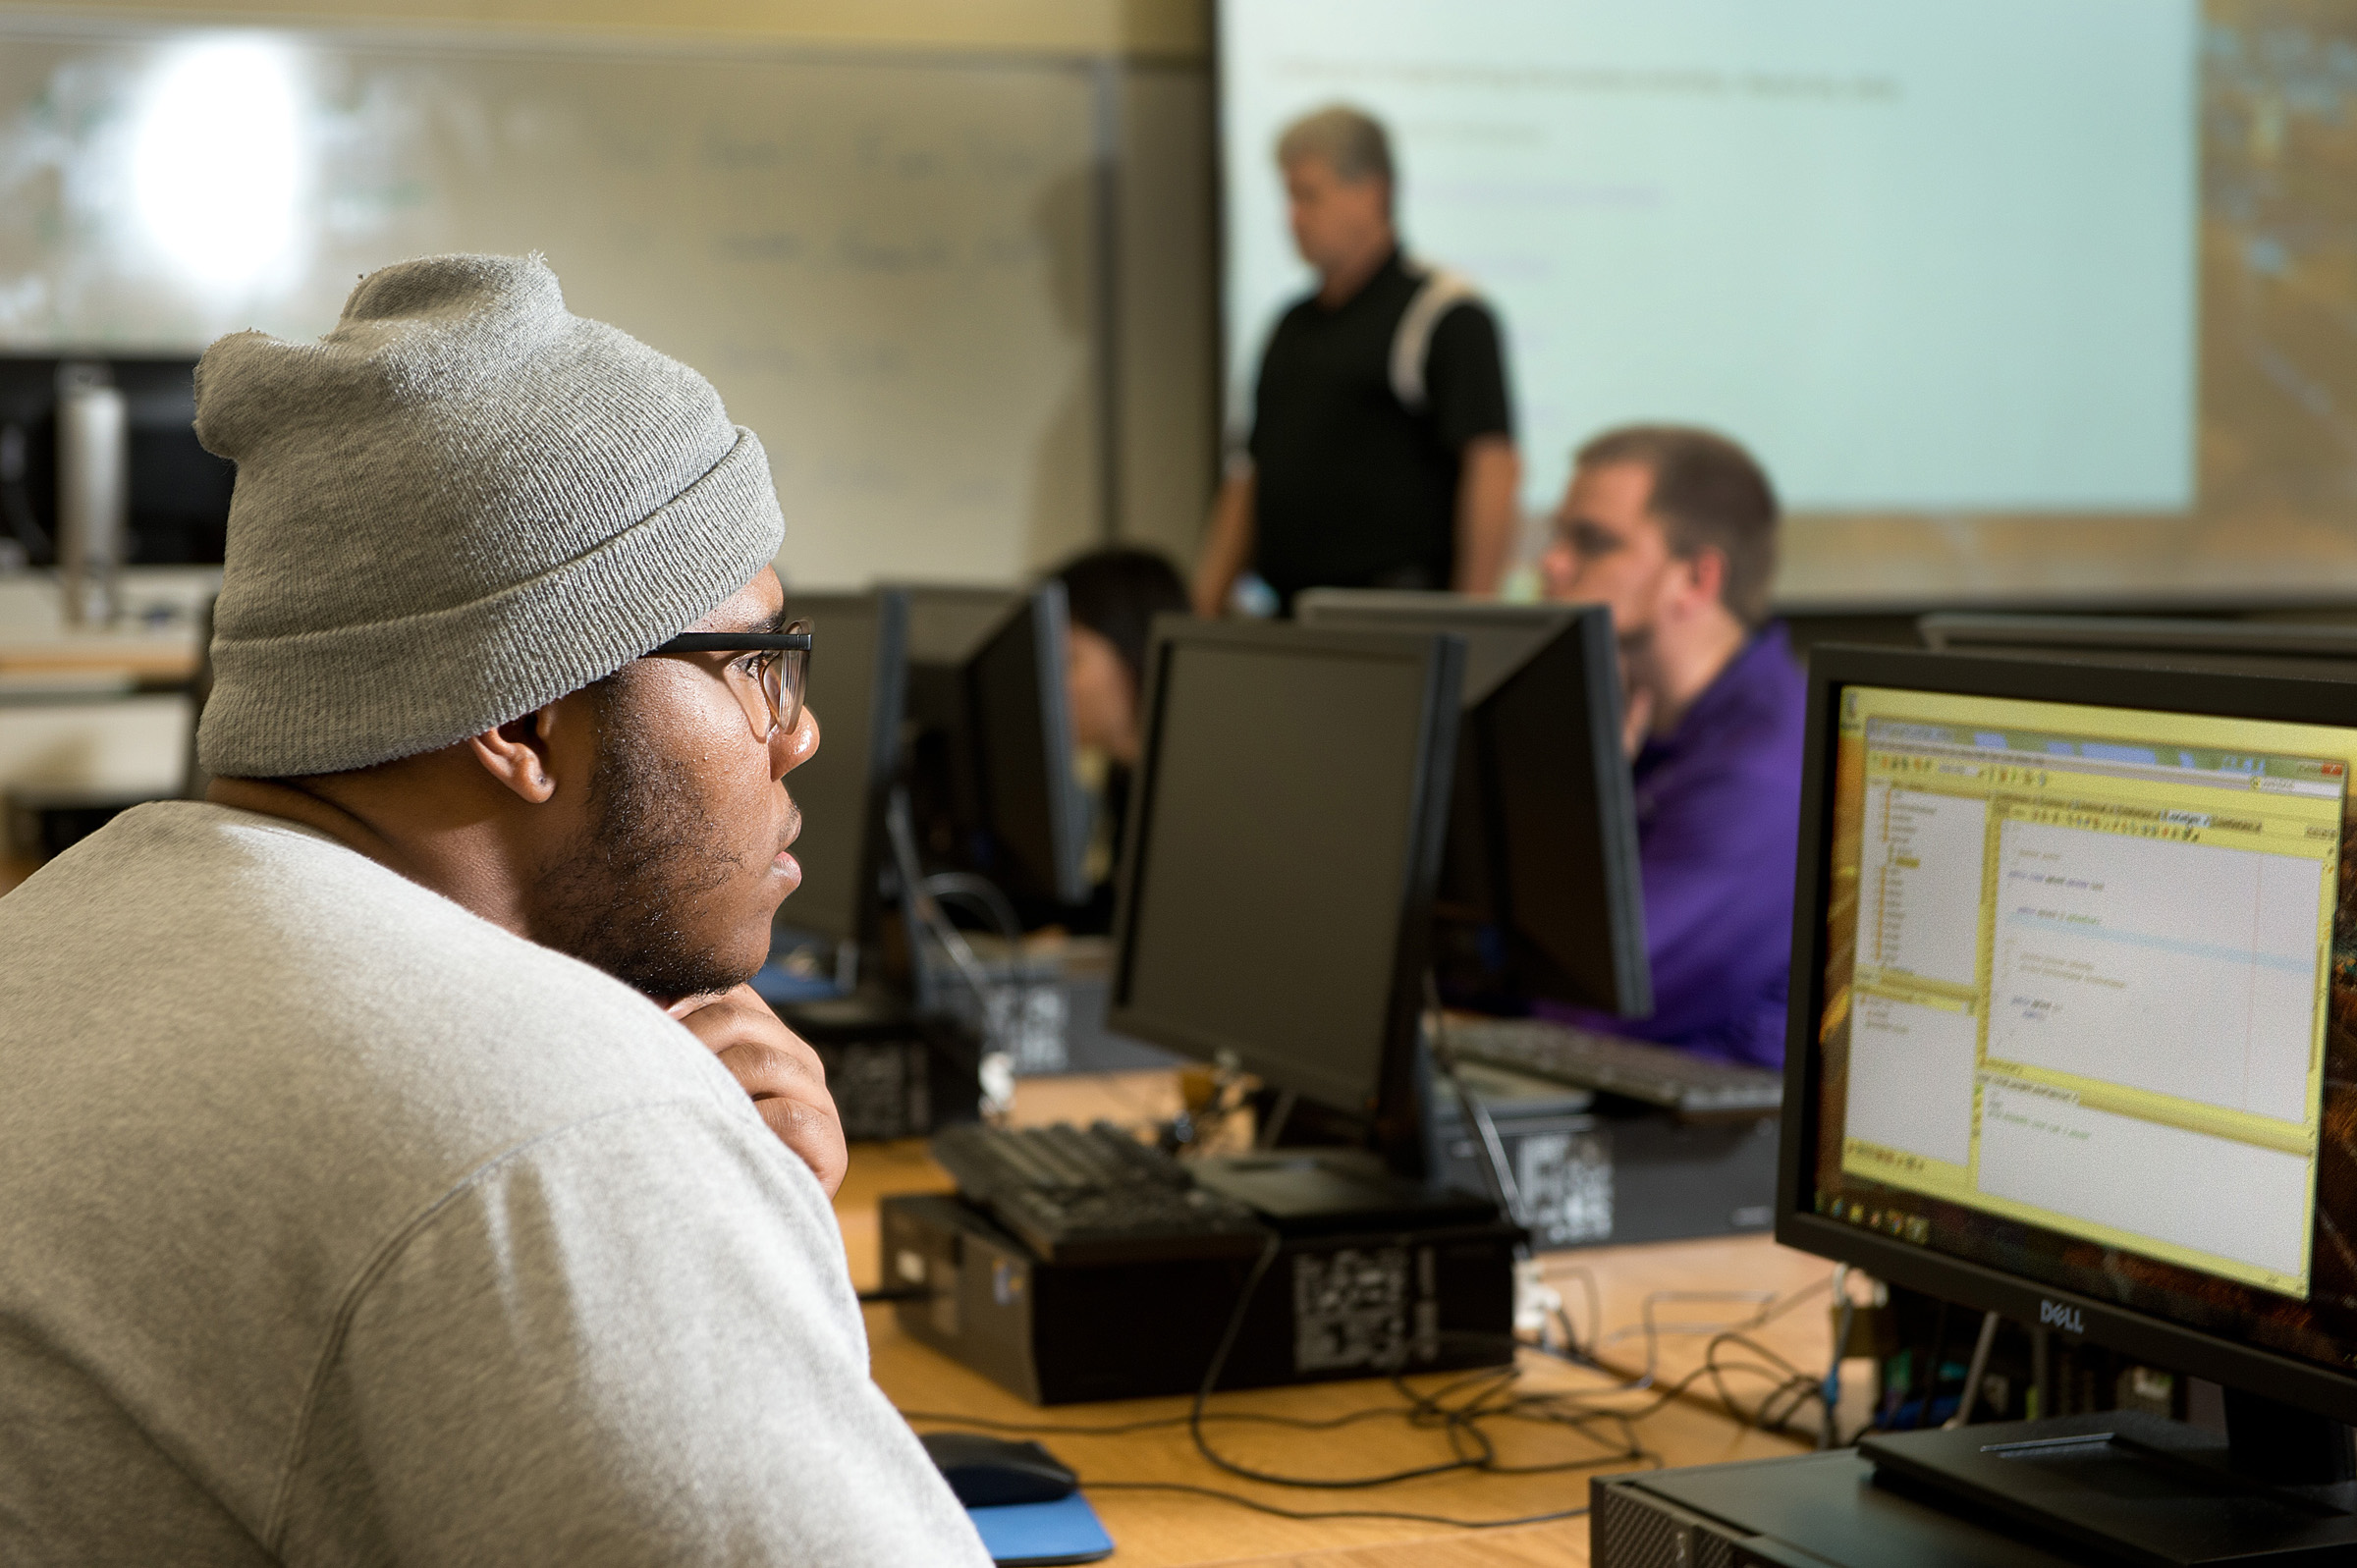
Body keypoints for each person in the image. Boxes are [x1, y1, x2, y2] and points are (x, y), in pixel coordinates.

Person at [0, 255, 989, 1566]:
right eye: (754, 662)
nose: (798, 734)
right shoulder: (555, 1140)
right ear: (524, 714)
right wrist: (669, 1193)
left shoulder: (49, 945)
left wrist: (732, 1246)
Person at [1538, 424, 1805, 1069]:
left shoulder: (1761, 770)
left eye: (1592, 542)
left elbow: (1603, 995)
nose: (1552, 563)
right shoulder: (1633, 716)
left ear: (1696, 579)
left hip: (1706, 1145)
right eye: (1558, 535)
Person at [1193, 104, 1520, 617]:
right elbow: (1250, 474)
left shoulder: (1443, 314)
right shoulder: (1291, 325)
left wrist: (1476, 616)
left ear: (1372, 192)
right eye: (1288, 197)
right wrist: (1206, 606)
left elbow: (1492, 466)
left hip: (1395, 616)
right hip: (1291, 615)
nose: (1293, 218)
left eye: (1309, 196)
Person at [1050, 545, 1189, 931]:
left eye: (1069, 662)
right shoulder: (1126, 778)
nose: (1047, 685)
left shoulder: (1187, 803)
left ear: (1134, 654)